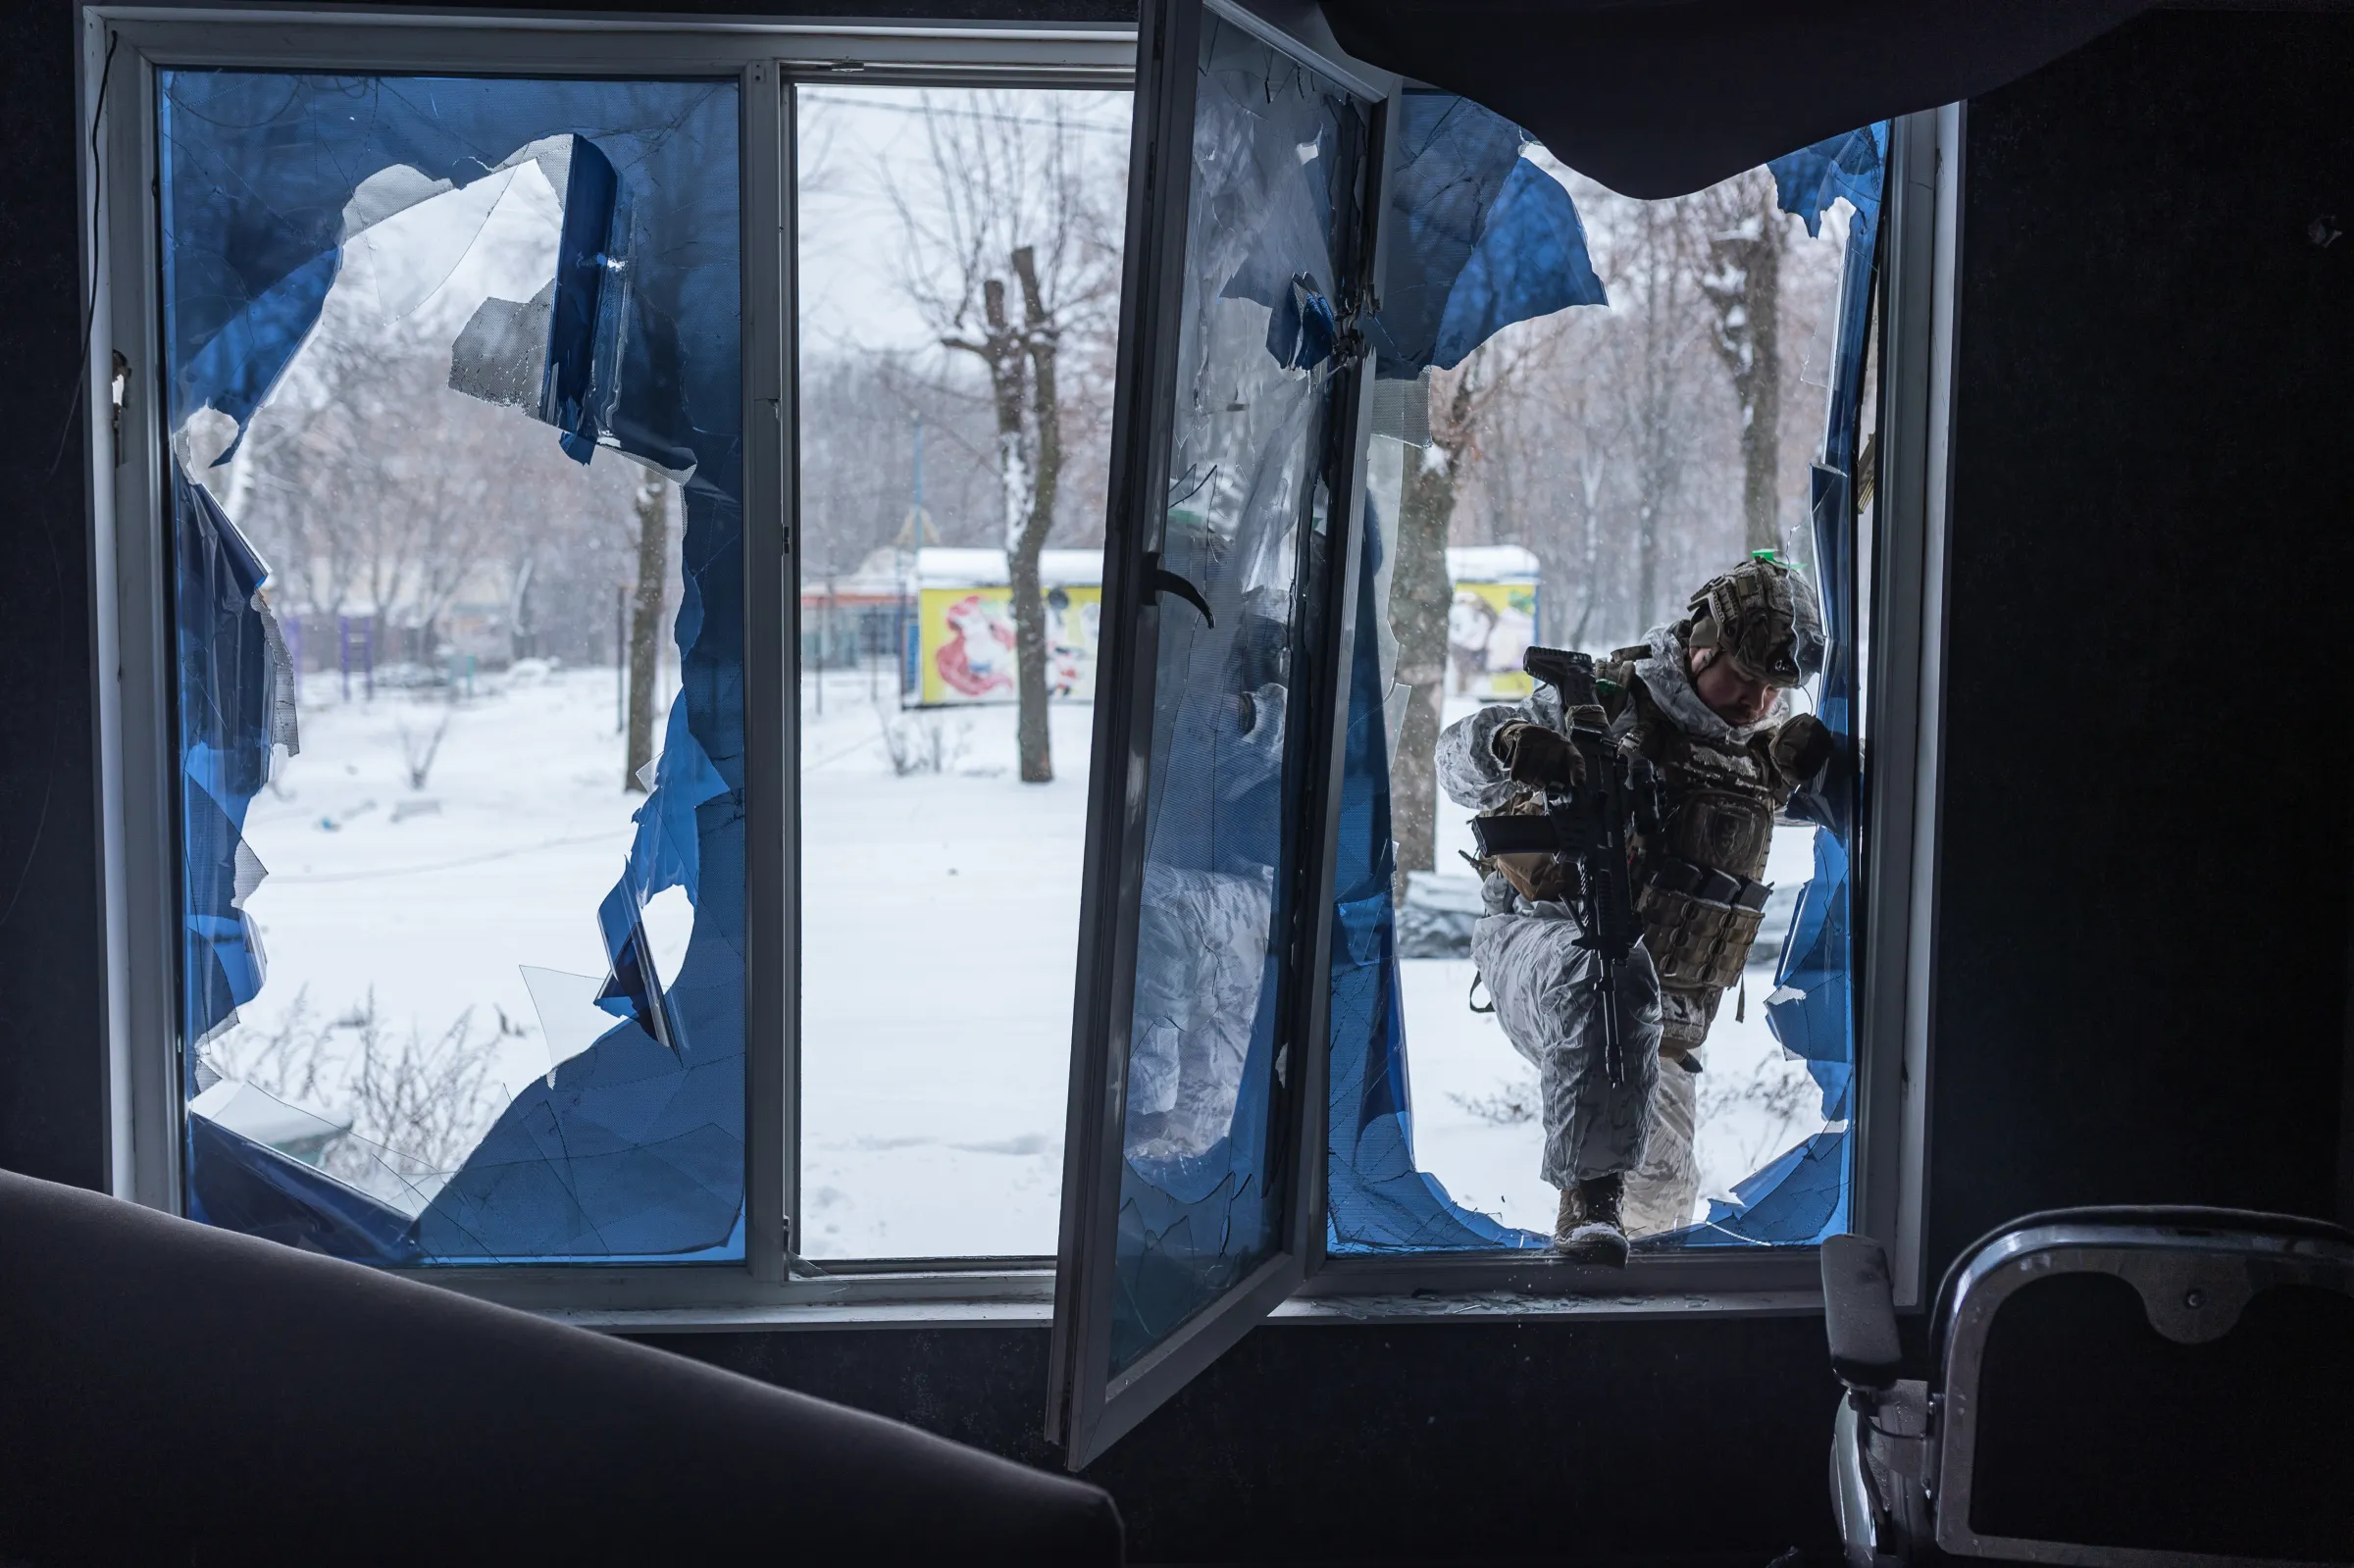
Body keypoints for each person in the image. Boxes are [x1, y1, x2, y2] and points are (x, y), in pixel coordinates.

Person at [1436, 555, 1832, 1261]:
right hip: (1545, 949)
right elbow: (1451, 762)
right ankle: (1585, 1201)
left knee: (1658, 1214)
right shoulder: (1607, 705)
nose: (1755, 703)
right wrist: (1507, 747)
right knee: (1606, 975)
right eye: (1742, 678)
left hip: (1664, 1027)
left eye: (1773, 690)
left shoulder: (1759, 754)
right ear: (1699, 646)